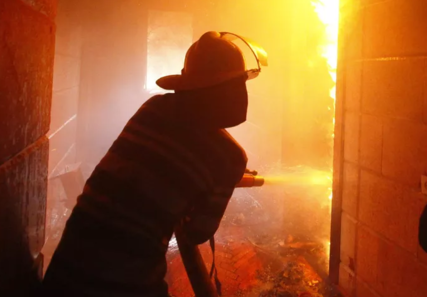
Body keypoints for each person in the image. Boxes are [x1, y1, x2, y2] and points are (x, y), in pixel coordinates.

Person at [41, 31, 267, 297]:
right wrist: (220, 180)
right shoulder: (228, 157)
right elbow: (197, 231)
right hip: (127, 285)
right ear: (228, 89)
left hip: (64, 275)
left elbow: (174, 155)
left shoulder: (154, 108)